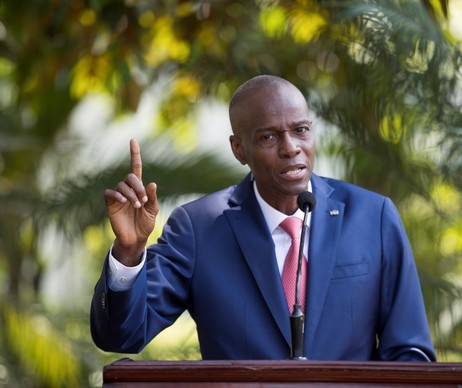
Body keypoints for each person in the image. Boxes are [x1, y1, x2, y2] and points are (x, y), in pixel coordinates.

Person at [90, 75, 436, 361]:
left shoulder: (372, 217)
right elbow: (121, 335)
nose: (290, 147)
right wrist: (130, 253)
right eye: (269, 136)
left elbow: (410, 351)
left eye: (300, 130)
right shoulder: (199, 229)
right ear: (239, 149)